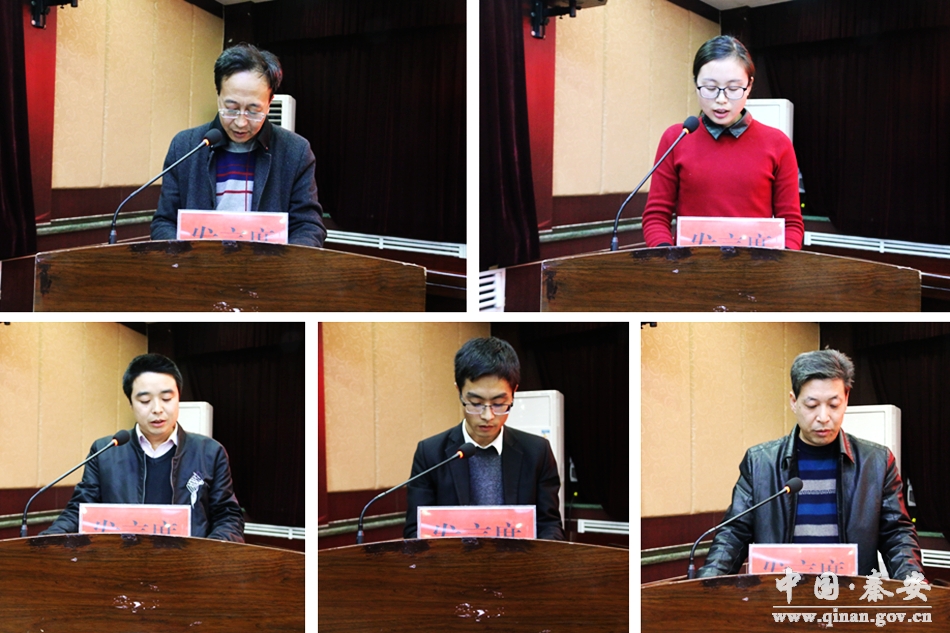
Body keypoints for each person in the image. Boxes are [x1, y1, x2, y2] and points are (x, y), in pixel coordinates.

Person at [698, 349, 923, 579]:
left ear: (846, 399)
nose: (823, 417)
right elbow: (734, 533)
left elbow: (897, 535)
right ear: (794, 402)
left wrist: (914, 583)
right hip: (782, 594)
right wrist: (706, 584)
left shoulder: (876, 462)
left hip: (849, 596)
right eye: (812, 405)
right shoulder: (760, 463)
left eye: (833, 405)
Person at [42, 354, 245, 542]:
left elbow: (227, 516)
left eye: (167, 398)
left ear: (178, 398)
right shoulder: (105, 451)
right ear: (131, 403)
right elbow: (79, 512)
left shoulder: (209, 452)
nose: (157, 409)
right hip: (123, 562)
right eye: (145, 401)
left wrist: (207, 555)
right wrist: (44, 542)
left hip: (188, 564)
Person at [150, 43, 326, 247]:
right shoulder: (185, 146)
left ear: (269, 103)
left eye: (253, 111)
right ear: (218, 97)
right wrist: (184, 256)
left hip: (268, 266)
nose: (241, 122)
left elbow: (308, 226)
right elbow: (164, 222)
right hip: (197, 264)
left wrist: (285, 262)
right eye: (231, 108)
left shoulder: (295, 151)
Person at [642, 35, 804, 250]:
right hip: (690, 267)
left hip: (757, 268)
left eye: (733, 88)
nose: (721, 99)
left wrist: (780, 262)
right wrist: (667, 257)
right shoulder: (676, 138)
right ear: (696, 83)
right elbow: (656, 217)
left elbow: (791, 224)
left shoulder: (777, 143)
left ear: (749, 85)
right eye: (710, 88)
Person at [404, 337, 565, 540]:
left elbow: (549, 525)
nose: (487, 416)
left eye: (499, 404)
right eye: (475, 403)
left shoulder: (537, 452)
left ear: (513, 393)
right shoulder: (430, 454)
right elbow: (415, 530)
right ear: (459, 391)